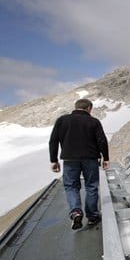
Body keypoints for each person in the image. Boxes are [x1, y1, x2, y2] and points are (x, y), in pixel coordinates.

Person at [49, 98, 110, 229]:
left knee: (71, 186)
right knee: (91, 186)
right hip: (91, 159)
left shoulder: (62, 120)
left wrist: (54, 160)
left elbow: (53, 141)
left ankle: (76, 211)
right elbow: (102, 141)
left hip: (70, 160)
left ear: (75, 107)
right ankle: (92, 216)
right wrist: (106, 158)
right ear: (89, 108)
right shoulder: (94, 121)